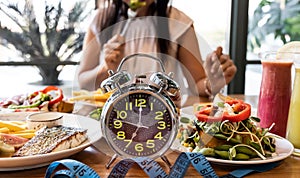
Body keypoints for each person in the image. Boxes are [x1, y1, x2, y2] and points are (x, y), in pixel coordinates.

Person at [77, 0, 236, 99]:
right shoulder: (100, 20)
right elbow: (83, 81)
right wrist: (106, 68)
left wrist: (213, 82)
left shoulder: (178, 22)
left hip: (164, 120)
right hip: (112, 119)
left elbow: (198, 84)